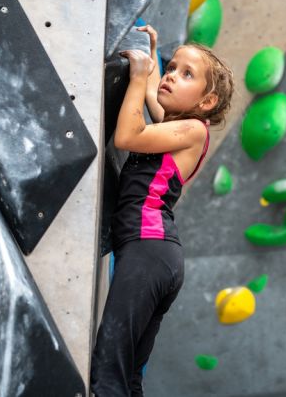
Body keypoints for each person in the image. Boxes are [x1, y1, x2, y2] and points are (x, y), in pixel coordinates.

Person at [90, 25, 234, 396]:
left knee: (110, 364)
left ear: (205, 103)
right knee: (130, 376)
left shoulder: (193, 131)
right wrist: (152, 52)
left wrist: (138, 75)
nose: (172, 75)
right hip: (154, 255)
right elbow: (155, 93)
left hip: (148, 250)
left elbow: (127, 136)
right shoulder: (174, 125)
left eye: (187, 74)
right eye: (173, 67)